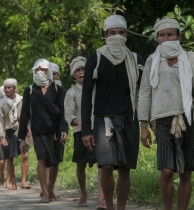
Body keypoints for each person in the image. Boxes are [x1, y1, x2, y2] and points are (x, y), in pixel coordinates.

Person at [137, 18, 194, 210]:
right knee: (166, 171)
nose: (166, 38)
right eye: (162, 35)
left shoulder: (190, 58)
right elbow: (145, 92)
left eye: (170, 34)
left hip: (189, 119)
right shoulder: (151, 61)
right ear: (157, 38)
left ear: (179, 36)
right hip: (162, 121)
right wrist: (144, 125)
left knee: (186, 172)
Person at [81, 14, 144, 210]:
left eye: (121, 32)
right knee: (106, 166)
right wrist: (86, 130)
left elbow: (146, 93)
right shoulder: (96, 59)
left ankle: (121, 207)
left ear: (127, 34)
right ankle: (109, 206)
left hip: (128, 119)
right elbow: (86, 96)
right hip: (103, 122)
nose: (117, 36)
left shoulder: (135, 59)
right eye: (112, 33)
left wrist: (146, 124)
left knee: (125, 169)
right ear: (105, 35)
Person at [18, 58, 68, 203]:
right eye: (37, 70)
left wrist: (64, 129)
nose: (40, 72)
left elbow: (64, 112)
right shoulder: (30, 90)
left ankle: (51, 189)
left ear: (49, 71)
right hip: (38, 131)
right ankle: (44, 192)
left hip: (56, 130)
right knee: (42, 159)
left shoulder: (59, 90)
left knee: (55, 162)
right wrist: (22, 138)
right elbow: (25, 114)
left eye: (43, 70)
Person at [64, 56, 106, 208]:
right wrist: (78, 122)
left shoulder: (98, 88)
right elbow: (68, 114)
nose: (81, 72)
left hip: (100, 129)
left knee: (102, 164)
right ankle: (83, 193)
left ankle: (101, 199)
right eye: (78, 71)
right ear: (73, 74)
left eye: (83, 69)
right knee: (81, 164)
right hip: (80, 132)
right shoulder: (71, 93)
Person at [0, 78, 26, 190]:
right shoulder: (0, 103)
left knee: (25, 155)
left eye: (9, 87)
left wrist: (28, 129)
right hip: (7, 131)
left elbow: (26, 116)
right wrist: (1, 137)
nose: (7, 90)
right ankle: (12, 181)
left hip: (20, 130)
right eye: (5, 88)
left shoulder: (22, 100)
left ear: (15, 88)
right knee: (10, 158)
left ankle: (24, 181)